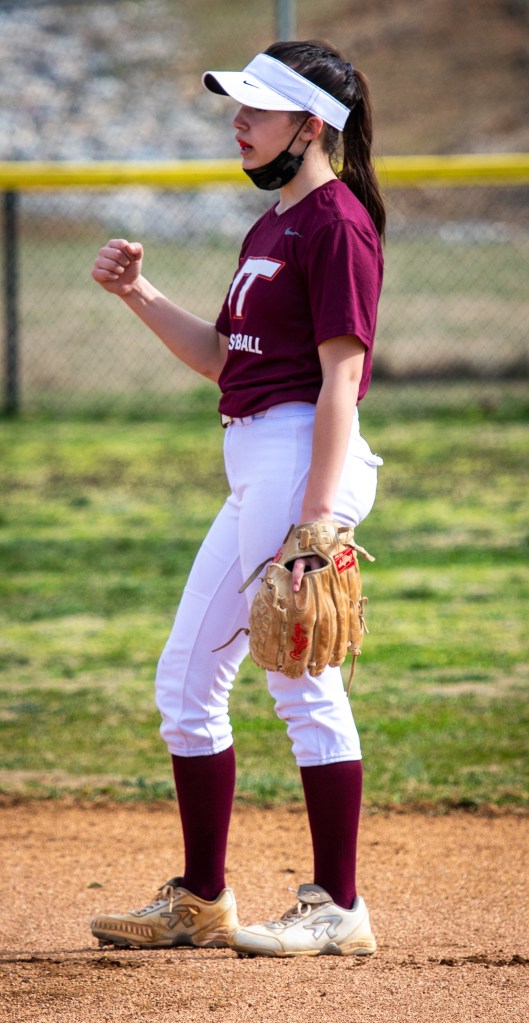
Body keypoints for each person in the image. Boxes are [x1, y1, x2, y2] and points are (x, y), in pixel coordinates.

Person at [90, 39, 385, 959]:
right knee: (205, 682)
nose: (239, 121)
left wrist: (316, 518)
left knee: (277, 679)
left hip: (298, 461)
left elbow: (341, 381)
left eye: (258, 108)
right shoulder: (274, 225)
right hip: (259, 460)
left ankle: (329, 904)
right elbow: (225, 359)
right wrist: (138, 293)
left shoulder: (335, 224)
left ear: (312, 125)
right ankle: (206, 898)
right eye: (239, 105)